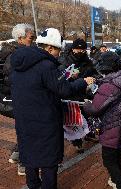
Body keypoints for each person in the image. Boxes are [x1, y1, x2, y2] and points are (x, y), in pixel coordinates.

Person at [10, 28, 93, 189]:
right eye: (58, 51)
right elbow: (64, 90)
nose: (59, 54)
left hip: (24, 118)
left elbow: (44, 84)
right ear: (50, 48)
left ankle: (33, 185)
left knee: (29, 155)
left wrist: (64, 76)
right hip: (45, 120)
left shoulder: (19, 62)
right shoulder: (46, 65)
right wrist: (83, 81)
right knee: (48, 159)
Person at [84, 51, 121, 189]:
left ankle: (120, 184)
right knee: (116, 154)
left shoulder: (109, 86)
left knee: (108, 160)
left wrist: (87, 103)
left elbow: (95, 108)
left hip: (111, 127)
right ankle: (114, 179)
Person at [0, 23, 35, 176]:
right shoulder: (17, 56)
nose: (32, 41)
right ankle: (23, 165)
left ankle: (16, 155)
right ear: (20, 38)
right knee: (29, 129)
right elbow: (12, 80)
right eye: (30, 38)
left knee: (25, 128)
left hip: (12, 98)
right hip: (16, 99)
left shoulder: (12, 52)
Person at [59, 38, 99, 152]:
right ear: (73, 49)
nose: (80, 51)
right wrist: (70, 76)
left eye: (83, 49)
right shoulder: (65, 60)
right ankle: (77, 142)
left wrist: (93, 80)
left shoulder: (87, 61)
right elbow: (60, 79)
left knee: (86, 115)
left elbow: (95, 73)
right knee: (73, 119)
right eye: (78, 49)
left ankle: (88, 134)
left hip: (83, 93)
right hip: (70, 94)